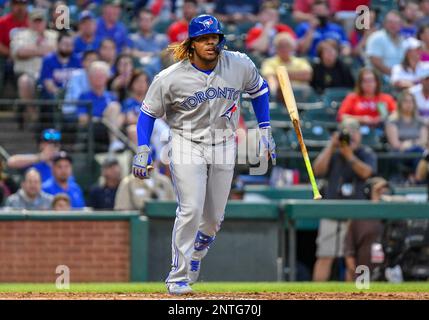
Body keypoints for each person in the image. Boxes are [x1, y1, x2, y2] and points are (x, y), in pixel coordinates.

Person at [132, 14, 276, 294]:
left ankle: (197, 251)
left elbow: (259, 91)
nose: (211, 43)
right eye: (204, 39)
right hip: (186, 143)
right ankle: (178, 277)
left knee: (213, 220)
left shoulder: (239, 63)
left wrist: (266, 129)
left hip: (224, 142)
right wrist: (143, 148)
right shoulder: (170, 78)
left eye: (215, 38)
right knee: (191, 208)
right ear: (192, 43)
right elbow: (147, 114)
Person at [312, 118, 377, 281]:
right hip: (332, 212)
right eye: (348, 132)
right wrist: (331, 146)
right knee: (325, 257)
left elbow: (366, 173)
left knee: (353, 262)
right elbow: (317, 171)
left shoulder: (366, 153)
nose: (352, 136)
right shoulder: (333, 154)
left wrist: (349, 155)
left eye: (355, 132)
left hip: (357, 216)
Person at [10, 8, 57, 122]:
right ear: (29, 22)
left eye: (40, 21)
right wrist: (45, 50)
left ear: (45, 22)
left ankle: (58, 116)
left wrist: (32, 50)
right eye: (35, 21)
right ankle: (33, 114)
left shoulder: (53, 35)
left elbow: (59, 51)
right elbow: (20, 51)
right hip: (28, 73)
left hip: (51, 74)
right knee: (24, 81)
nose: (37, 23)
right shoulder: (21, 35)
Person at [344, 176, 390, 281]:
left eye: (385, 191)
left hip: (389, 274)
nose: (382, 194)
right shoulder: (358, 217)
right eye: (378, 191)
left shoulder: (394, 217)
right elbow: (349, 253)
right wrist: (357, 277)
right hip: (364, 273)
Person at [77, 60, 124, 152]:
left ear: (107, 78)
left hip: (111, 130)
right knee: (114, 107)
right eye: (95, 75)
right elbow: (82, 118)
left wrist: (114, 122)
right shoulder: (84, 96)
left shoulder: (111, 96)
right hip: (94, 129)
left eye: (101, 75)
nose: (99, 78)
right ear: (89, 78)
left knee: (115, 107)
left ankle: (114, 142)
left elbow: (121, 116)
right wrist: (102, 120)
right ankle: (114, 142)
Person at [385, 91, 428, 179]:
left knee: (419, 152)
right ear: (400, 104)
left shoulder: (421, 122)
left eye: (411, 101)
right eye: (405, 101)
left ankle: (416, 178)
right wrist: (414, 143)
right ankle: (418, 179)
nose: (408, 104)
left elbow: (423, 141)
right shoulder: (392, 121)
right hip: (400, 154)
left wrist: (409, 143)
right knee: (419, 152)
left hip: (418, 152)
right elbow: (395, 144)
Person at [261, 32, 312, 99]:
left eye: (287, 46)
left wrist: (281, 75)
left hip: (302, 96)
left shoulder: (301, 61)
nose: (284, 49)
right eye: (280, 46)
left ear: (292, 47)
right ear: (276, 48)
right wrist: (297, 75)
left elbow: (307, 76)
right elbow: (270, 78)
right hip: (281, 96)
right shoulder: (269, 62)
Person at [365, 11, 406, 80]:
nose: (393, 25)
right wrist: (395, 75)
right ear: (384, 24)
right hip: (380, 79)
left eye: (396, 23)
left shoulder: (403, 40)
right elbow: (376, 62)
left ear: (401, 25)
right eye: (390, 22)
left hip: (400, 78)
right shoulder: (377, 37)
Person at [130, 8, 169, 77]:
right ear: (138, 21)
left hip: (159, 73)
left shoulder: (162, 39)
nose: (145, 23)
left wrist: (142, 54)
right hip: (139, 72)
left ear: (152, 21)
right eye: (142, 20)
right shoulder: (132, 38)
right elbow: (131, 53)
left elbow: (166, 55)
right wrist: (153, 54)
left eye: (147, 20)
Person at [63, 50, 99, 121]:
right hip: (73, 110)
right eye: (89, 60)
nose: (92, 63)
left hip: (92, 110)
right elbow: (79, 97)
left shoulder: (100, 75)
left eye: (95, 60)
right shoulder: (75, 75)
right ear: (83, 63)